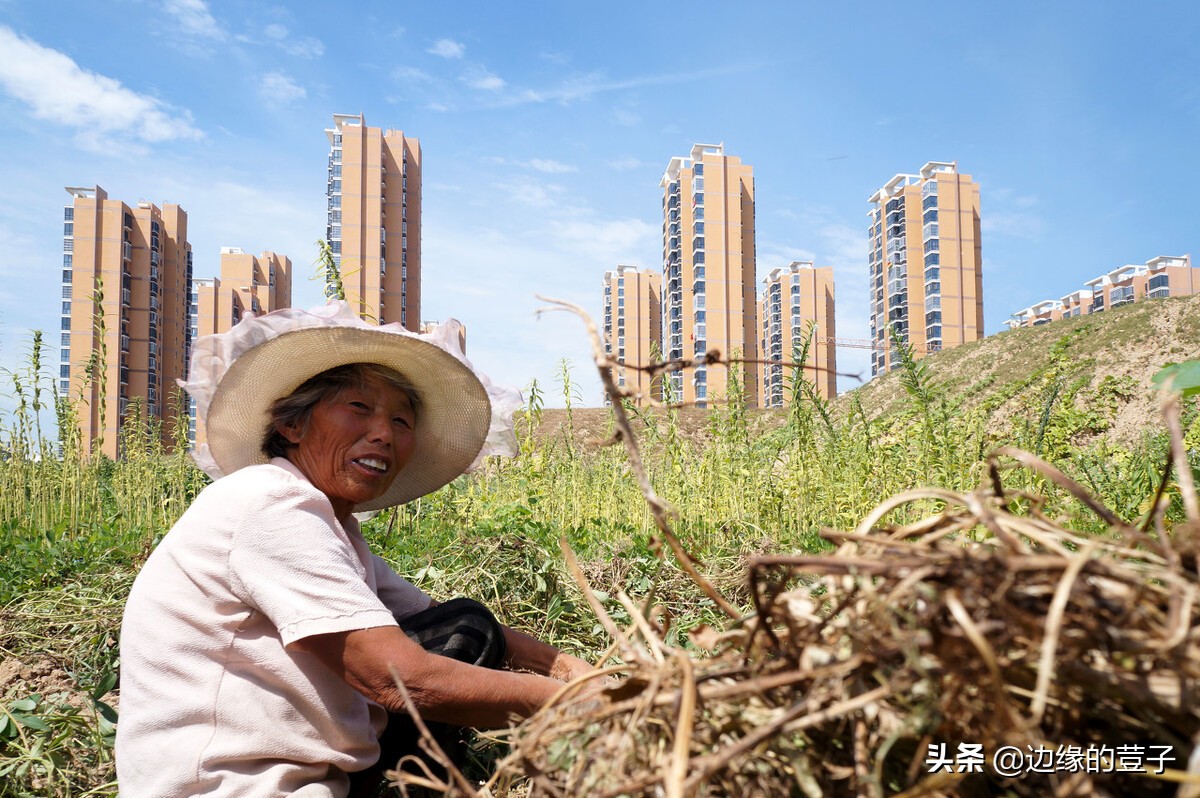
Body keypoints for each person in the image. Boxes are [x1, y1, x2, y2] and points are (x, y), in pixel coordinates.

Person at [115, 302, 597, 797]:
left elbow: (449, 622)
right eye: (359, 408)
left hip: (313, 776)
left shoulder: (332, 528)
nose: (384, 434)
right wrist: (582, 704)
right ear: (292, 425)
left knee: (467, 626)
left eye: (401, 422)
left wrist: (572, 669)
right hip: (231, 785)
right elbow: (401, 679)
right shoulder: (269, 504)